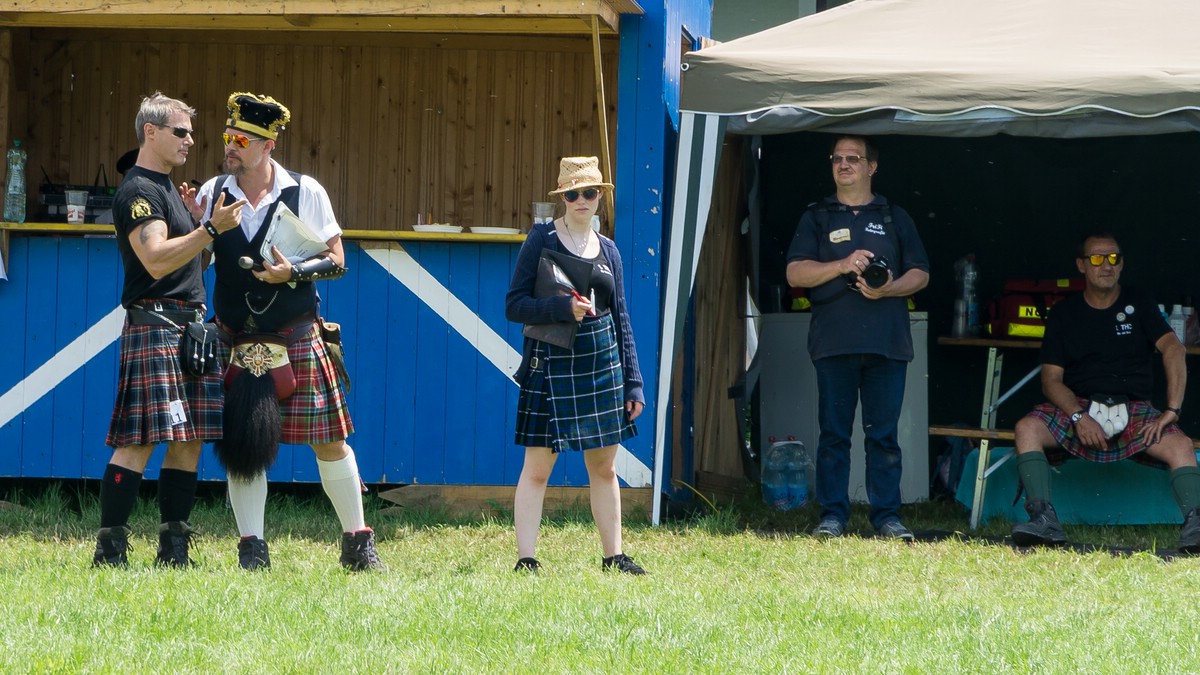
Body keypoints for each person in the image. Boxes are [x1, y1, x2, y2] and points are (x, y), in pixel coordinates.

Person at [189, 92, 382, 571]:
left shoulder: (305, 191)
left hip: (295, 334)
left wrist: (291, 273)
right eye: (227, 137)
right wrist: (199, 232)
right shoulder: (214, 191)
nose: (229, 147)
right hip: (235, 336)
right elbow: (196, 262)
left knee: (329, 441)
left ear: (267, 145)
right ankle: (251, 549)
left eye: (241, 140)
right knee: (240, 442)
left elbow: (337, 261)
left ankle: (358, 546)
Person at [97, 92, 246, 567]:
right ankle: (111, 549)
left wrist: (197, 226)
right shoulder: (139, 190)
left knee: (190, 438)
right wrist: (211, 230)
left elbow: (187, 264)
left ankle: (174, 547)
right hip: (155, 325)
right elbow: (156, 259)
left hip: (189, 329)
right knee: (138, 441)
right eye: (180, 132)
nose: (190, 140)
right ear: (151, 132)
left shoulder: (168, 190)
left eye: (190, 132)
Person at [1010, 233, 1200, 551]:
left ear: (1122, 264)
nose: (1106, 266)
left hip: (1134, 408)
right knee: (1026, 428)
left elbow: (1174, 350)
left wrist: (1172, 410)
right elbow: (1051, 380)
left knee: (1180, 444)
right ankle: (1043, 519)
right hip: (1080, 407)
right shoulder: (1063, 313)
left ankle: (1196, 525)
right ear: (1081, 265)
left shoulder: (1140, 303)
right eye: (1097, 259)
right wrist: (1077, 415)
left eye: (1113, 258)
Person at [505, 156, 647, 574]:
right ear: (562, 198)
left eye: (590, 192)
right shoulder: (541, 239)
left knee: (604, 468)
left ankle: (614, 556)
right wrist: (561, 307)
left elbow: (621, 317)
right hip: (550, 364)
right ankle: (526, 560)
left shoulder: (610, 250)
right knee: (538, 469)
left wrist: (633, 382)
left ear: (600, 196)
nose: (582, 200)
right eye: (573, 193)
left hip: (603, 365)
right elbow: (514, 306)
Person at [785, 135, 930, 540]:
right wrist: (843, 265)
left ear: (872, 167)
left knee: (883, 436)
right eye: (837, 158)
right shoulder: (817, 216)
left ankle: (887, 517)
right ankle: (833, 516)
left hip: (888, 343)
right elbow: (795, 274)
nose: (844, 164)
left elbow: (922, 273)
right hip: (833, 342)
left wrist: (888, 287)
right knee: (834, 434)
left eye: (853, 158)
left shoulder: (894, 216)